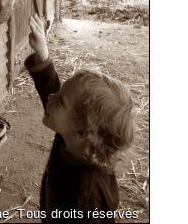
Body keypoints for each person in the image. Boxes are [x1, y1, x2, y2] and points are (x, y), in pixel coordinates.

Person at [26, 14, 136, 223]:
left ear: (83, 131)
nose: (51, 96)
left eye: (61, 101)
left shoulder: (87, 196)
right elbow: (51, 88)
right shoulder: (73, 137)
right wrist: (41, 51)